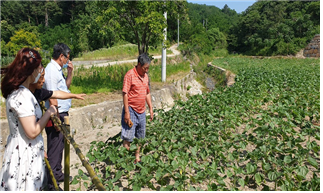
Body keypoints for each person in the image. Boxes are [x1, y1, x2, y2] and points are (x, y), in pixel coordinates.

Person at [0, 48, 57, 191]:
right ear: (31, 71)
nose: (40, 71)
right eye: (39, 67)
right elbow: (32, 131)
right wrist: (49, 112)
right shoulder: (22, 96)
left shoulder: (20, 92)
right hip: (24, 157)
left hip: (22, 150)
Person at [42, 43, 74, 190]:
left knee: (60, 145)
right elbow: (52, 95)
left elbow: (64, 89)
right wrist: (55, 119)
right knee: (54, 148)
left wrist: (70, 73)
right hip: (55, 114)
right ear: (61, 56)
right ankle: (51, 184)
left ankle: (58, 173)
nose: (68, 60)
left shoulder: (58, 70)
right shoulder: (50, 71)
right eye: (67, 57)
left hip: (61, 113)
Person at [121, 53, 154, 164]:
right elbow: (125, 93)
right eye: (145, 68)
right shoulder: (129, 75)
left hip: (142, 111)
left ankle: (137, 158)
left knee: (141, 136)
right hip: (131, 109)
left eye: (148, 68)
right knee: (128, 136)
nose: (146, 71)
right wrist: (126, 112)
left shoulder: (146, 77)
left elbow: (147, 93)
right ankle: (126, 160)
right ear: (139, 65)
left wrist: (150, 108)